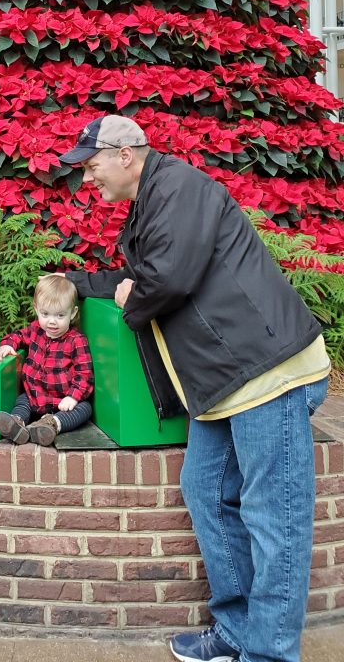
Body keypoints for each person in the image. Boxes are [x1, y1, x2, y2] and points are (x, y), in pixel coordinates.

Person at [58, 114, 330, 662]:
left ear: (125, 155)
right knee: (206, 492)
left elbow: (168, 279)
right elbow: (145, 275)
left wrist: (132, 299)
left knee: (273, 517)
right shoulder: (154, 199)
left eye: (90, 166)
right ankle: (236, 632)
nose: (87, 179)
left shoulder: (179, 187)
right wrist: (78, 284)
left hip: (265, 374)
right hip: (223, 385)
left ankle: (271, 653)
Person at [0, 274, 93, 446]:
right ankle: (17, 423)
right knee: (22, 401)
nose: (52, 322)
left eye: (60, 315)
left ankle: (51, 425)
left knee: (84, 409)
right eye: (45, 314)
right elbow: (17, 336)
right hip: (35, 396)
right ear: (36, 309)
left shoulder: (76, 340)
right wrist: (8, 345)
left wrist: (73, 397)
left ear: (73, 313)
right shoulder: (35, 330)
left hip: (63, 402)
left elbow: (85, 374)